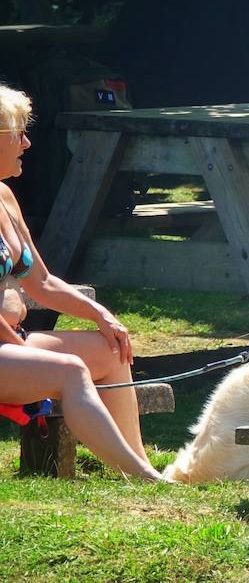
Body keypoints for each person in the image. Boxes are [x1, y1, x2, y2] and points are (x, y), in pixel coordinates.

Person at [0, 86, 161, 481]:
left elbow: (41, 282)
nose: (27, 142)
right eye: (18, 132)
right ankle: (143, 476)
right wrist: (18, 345)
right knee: (70, 370)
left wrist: (101, 314)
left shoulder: (4, 197)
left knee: (112, 350)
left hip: (9, 342)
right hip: (6, 344)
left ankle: (138, 466)